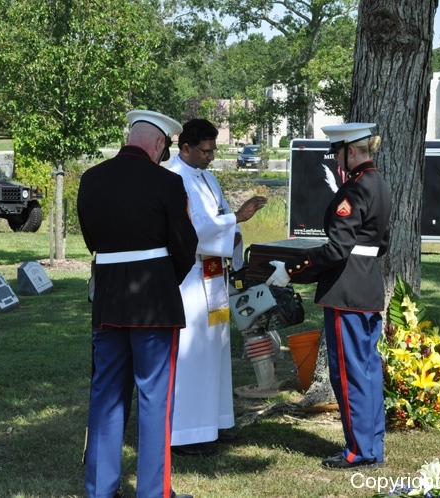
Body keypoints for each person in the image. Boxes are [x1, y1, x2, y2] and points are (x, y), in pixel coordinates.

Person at [77, 109, 198, 498]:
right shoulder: (168, 182)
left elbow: (92, 240)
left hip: (108, 299)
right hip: (154, 304)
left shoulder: (91, 179)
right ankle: (153, 491)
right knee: (154, 399)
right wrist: (164, 279)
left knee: (106, 396)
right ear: (160, 143)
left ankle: (100, 489)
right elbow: (186, 246)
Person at [266, 122, 391, 470]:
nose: (335, 160)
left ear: (350, 151)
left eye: (337, 153)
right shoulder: (379, 184)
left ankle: (358, 452)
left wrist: (292, 270)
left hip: (345, 291)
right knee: (367, 370)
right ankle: (372, 445)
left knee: (349, 373)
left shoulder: (354, 189)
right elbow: (382, 243)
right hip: (367, 286)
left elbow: (337, 249)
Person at [167, 118, 267, 456]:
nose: (210, 157)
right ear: (185, 148)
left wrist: (233, 234)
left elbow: (219, 218)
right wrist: (236, 219)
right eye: (205, 151)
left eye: (213, 151)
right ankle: (185, 433)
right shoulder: (173, 178)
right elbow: (193, 229)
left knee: (217, 349)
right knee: (192, 351)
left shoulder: (207, 178)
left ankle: (215, 422)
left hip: (214, 275)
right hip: (190, 277)